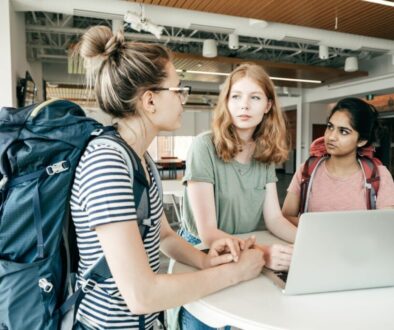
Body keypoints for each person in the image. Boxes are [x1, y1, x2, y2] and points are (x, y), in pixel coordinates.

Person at [71, 26, 265, 330]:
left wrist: (204, 260)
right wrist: (236, 272)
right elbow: (141, 295)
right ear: (150, 101)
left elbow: (164, 236)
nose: (183, 99)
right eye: (178, 90)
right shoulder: (107, 163)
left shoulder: (140, 158)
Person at [176, 63, 297, 329]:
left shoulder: (264, 154)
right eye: (236, 97)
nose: (244, 105)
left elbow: (274, 218)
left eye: (254, 97)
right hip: (203, 251)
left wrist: (307, 244)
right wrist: (263, 253)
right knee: (208, 322)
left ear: (267, 105)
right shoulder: (203, 146)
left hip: (246, 250)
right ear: (227, 102)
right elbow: (208, 233)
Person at [282, 97, 394, 225]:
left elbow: (386, 224)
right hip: (315, 244)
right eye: (330, 127)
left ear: (362, 140)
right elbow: (286, 216)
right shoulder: (307, 170)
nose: (331, 136)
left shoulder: (379, 175)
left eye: (343, 131)